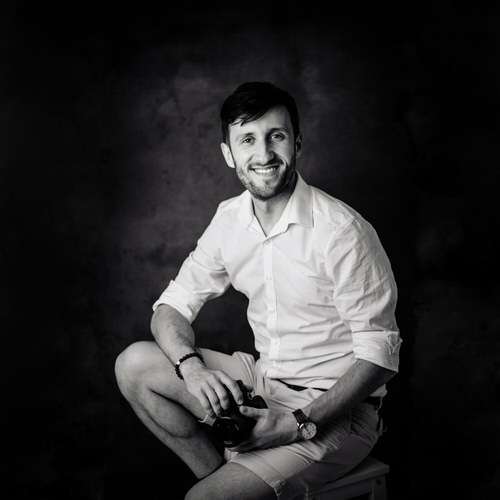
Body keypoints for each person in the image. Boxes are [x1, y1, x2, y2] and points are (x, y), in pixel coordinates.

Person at [115, 82, 402, 499]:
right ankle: (220, 478)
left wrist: (297, 423)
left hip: (337, 410)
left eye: (276, 136)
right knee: (134, 364)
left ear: (296, 143)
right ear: (228, 153)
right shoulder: (229, 219)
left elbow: (380, 356)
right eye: (247, 139)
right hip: (263, 383)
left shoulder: (342, 232)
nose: (264, 154)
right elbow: (171, 307)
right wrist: (192, 369)